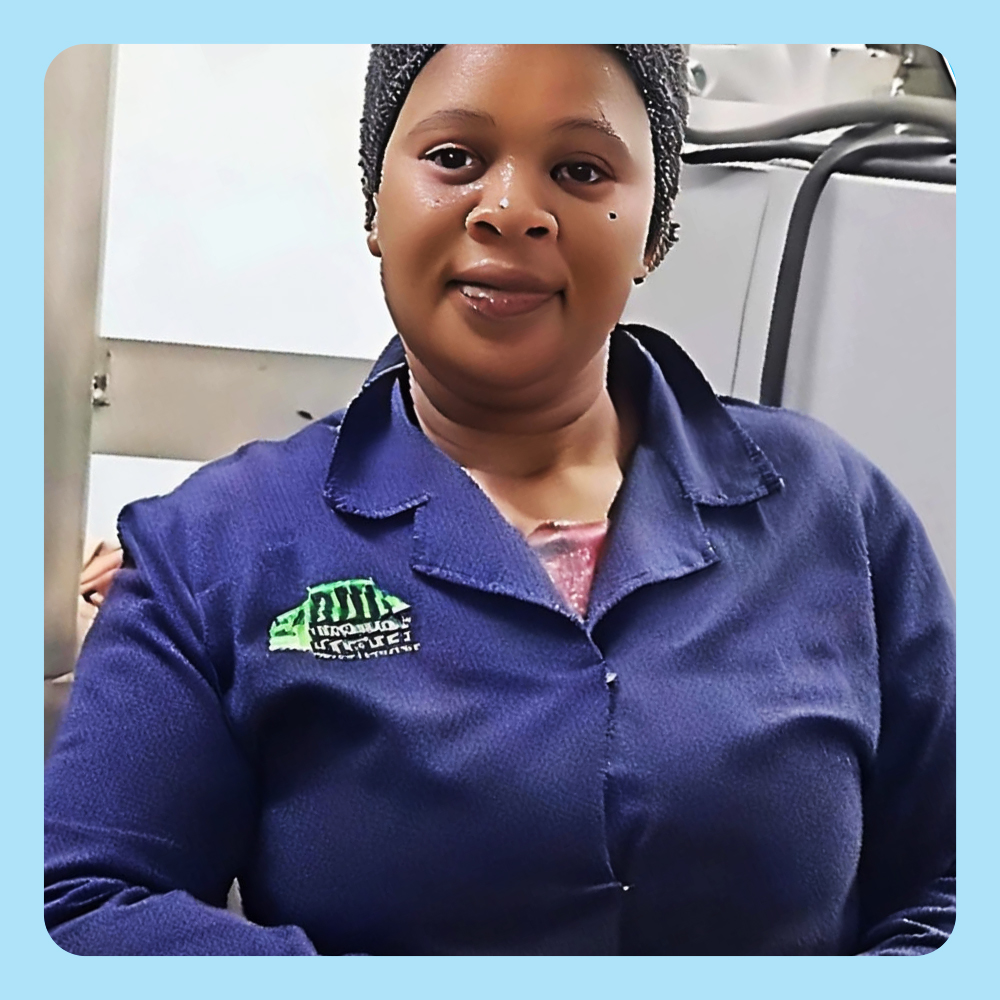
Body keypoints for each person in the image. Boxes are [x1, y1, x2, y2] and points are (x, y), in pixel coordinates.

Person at [44, 44, 955, 956]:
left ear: (655, 230)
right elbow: (79, 907)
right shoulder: (212, 550)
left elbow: (955, 892)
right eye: (454, 159)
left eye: (579, 169)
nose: (513, 210)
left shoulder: (835, 513)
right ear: (375, 202)